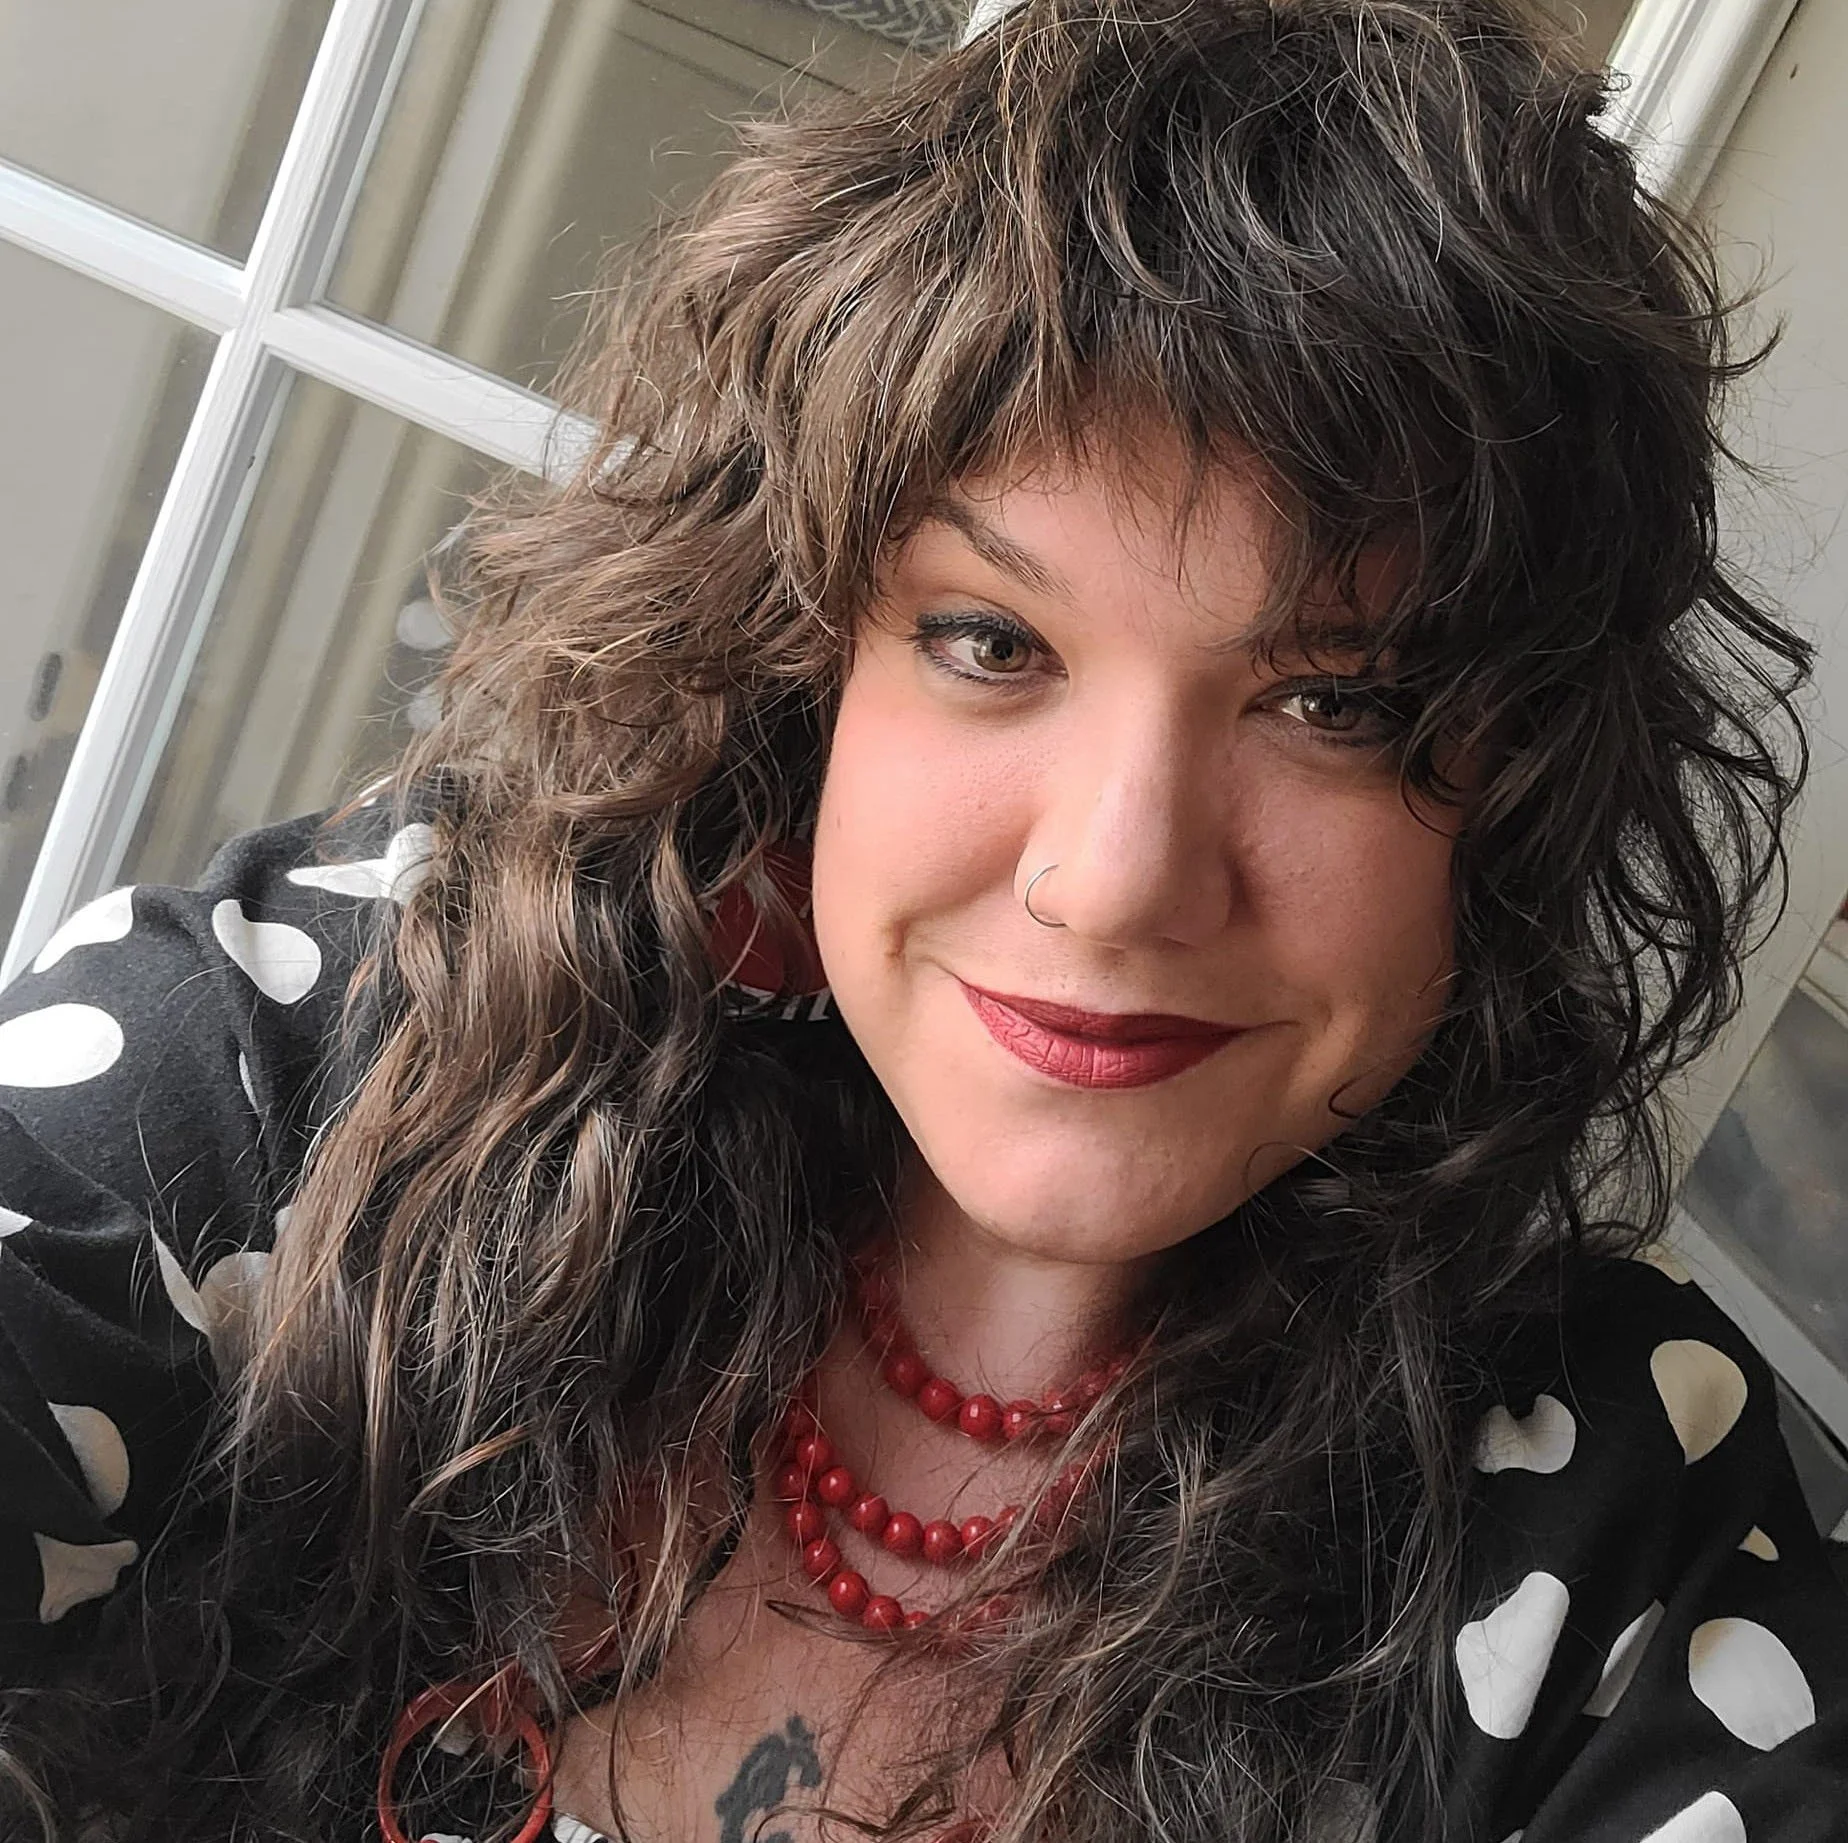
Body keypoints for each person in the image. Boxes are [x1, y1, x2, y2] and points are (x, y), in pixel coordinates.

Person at [0, 0, 1844, 1837]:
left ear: (1520, 782)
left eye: (1338, 702)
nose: (1118, 875)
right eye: (992, 643)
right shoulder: (322, 1051)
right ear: (808, 666)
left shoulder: (1630, 1529)